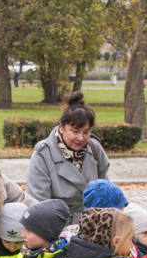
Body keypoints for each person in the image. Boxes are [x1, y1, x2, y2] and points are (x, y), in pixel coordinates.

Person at [26, 91, 110, 223]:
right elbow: (38, 205)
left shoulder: (95, 148)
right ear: (62, 126)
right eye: (75, 131)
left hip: (94, 230)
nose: (81, 138)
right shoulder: (43, 154)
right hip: (57, 231)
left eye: (86, 132)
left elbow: (106, 194)